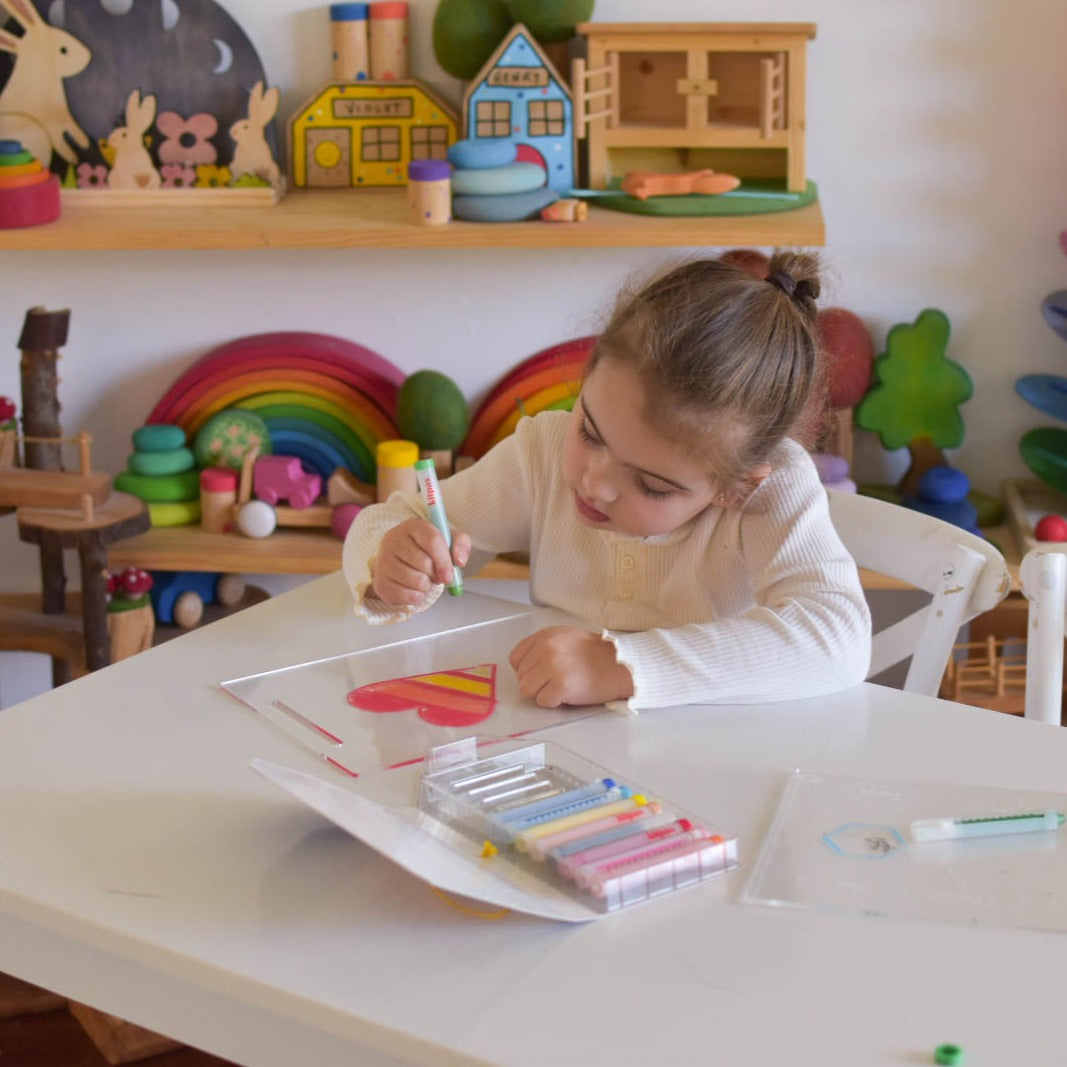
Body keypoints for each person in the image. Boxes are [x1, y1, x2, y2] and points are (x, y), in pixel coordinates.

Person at [342, 252, 872, 712]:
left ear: (734, 486)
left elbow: (839, 639)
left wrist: (622, 665)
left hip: (710, 762)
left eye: (653, 485)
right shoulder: (545, 451)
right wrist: (392, 563)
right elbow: (392, 520)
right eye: (590, 432)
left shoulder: (770, 489)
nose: (595, 484)